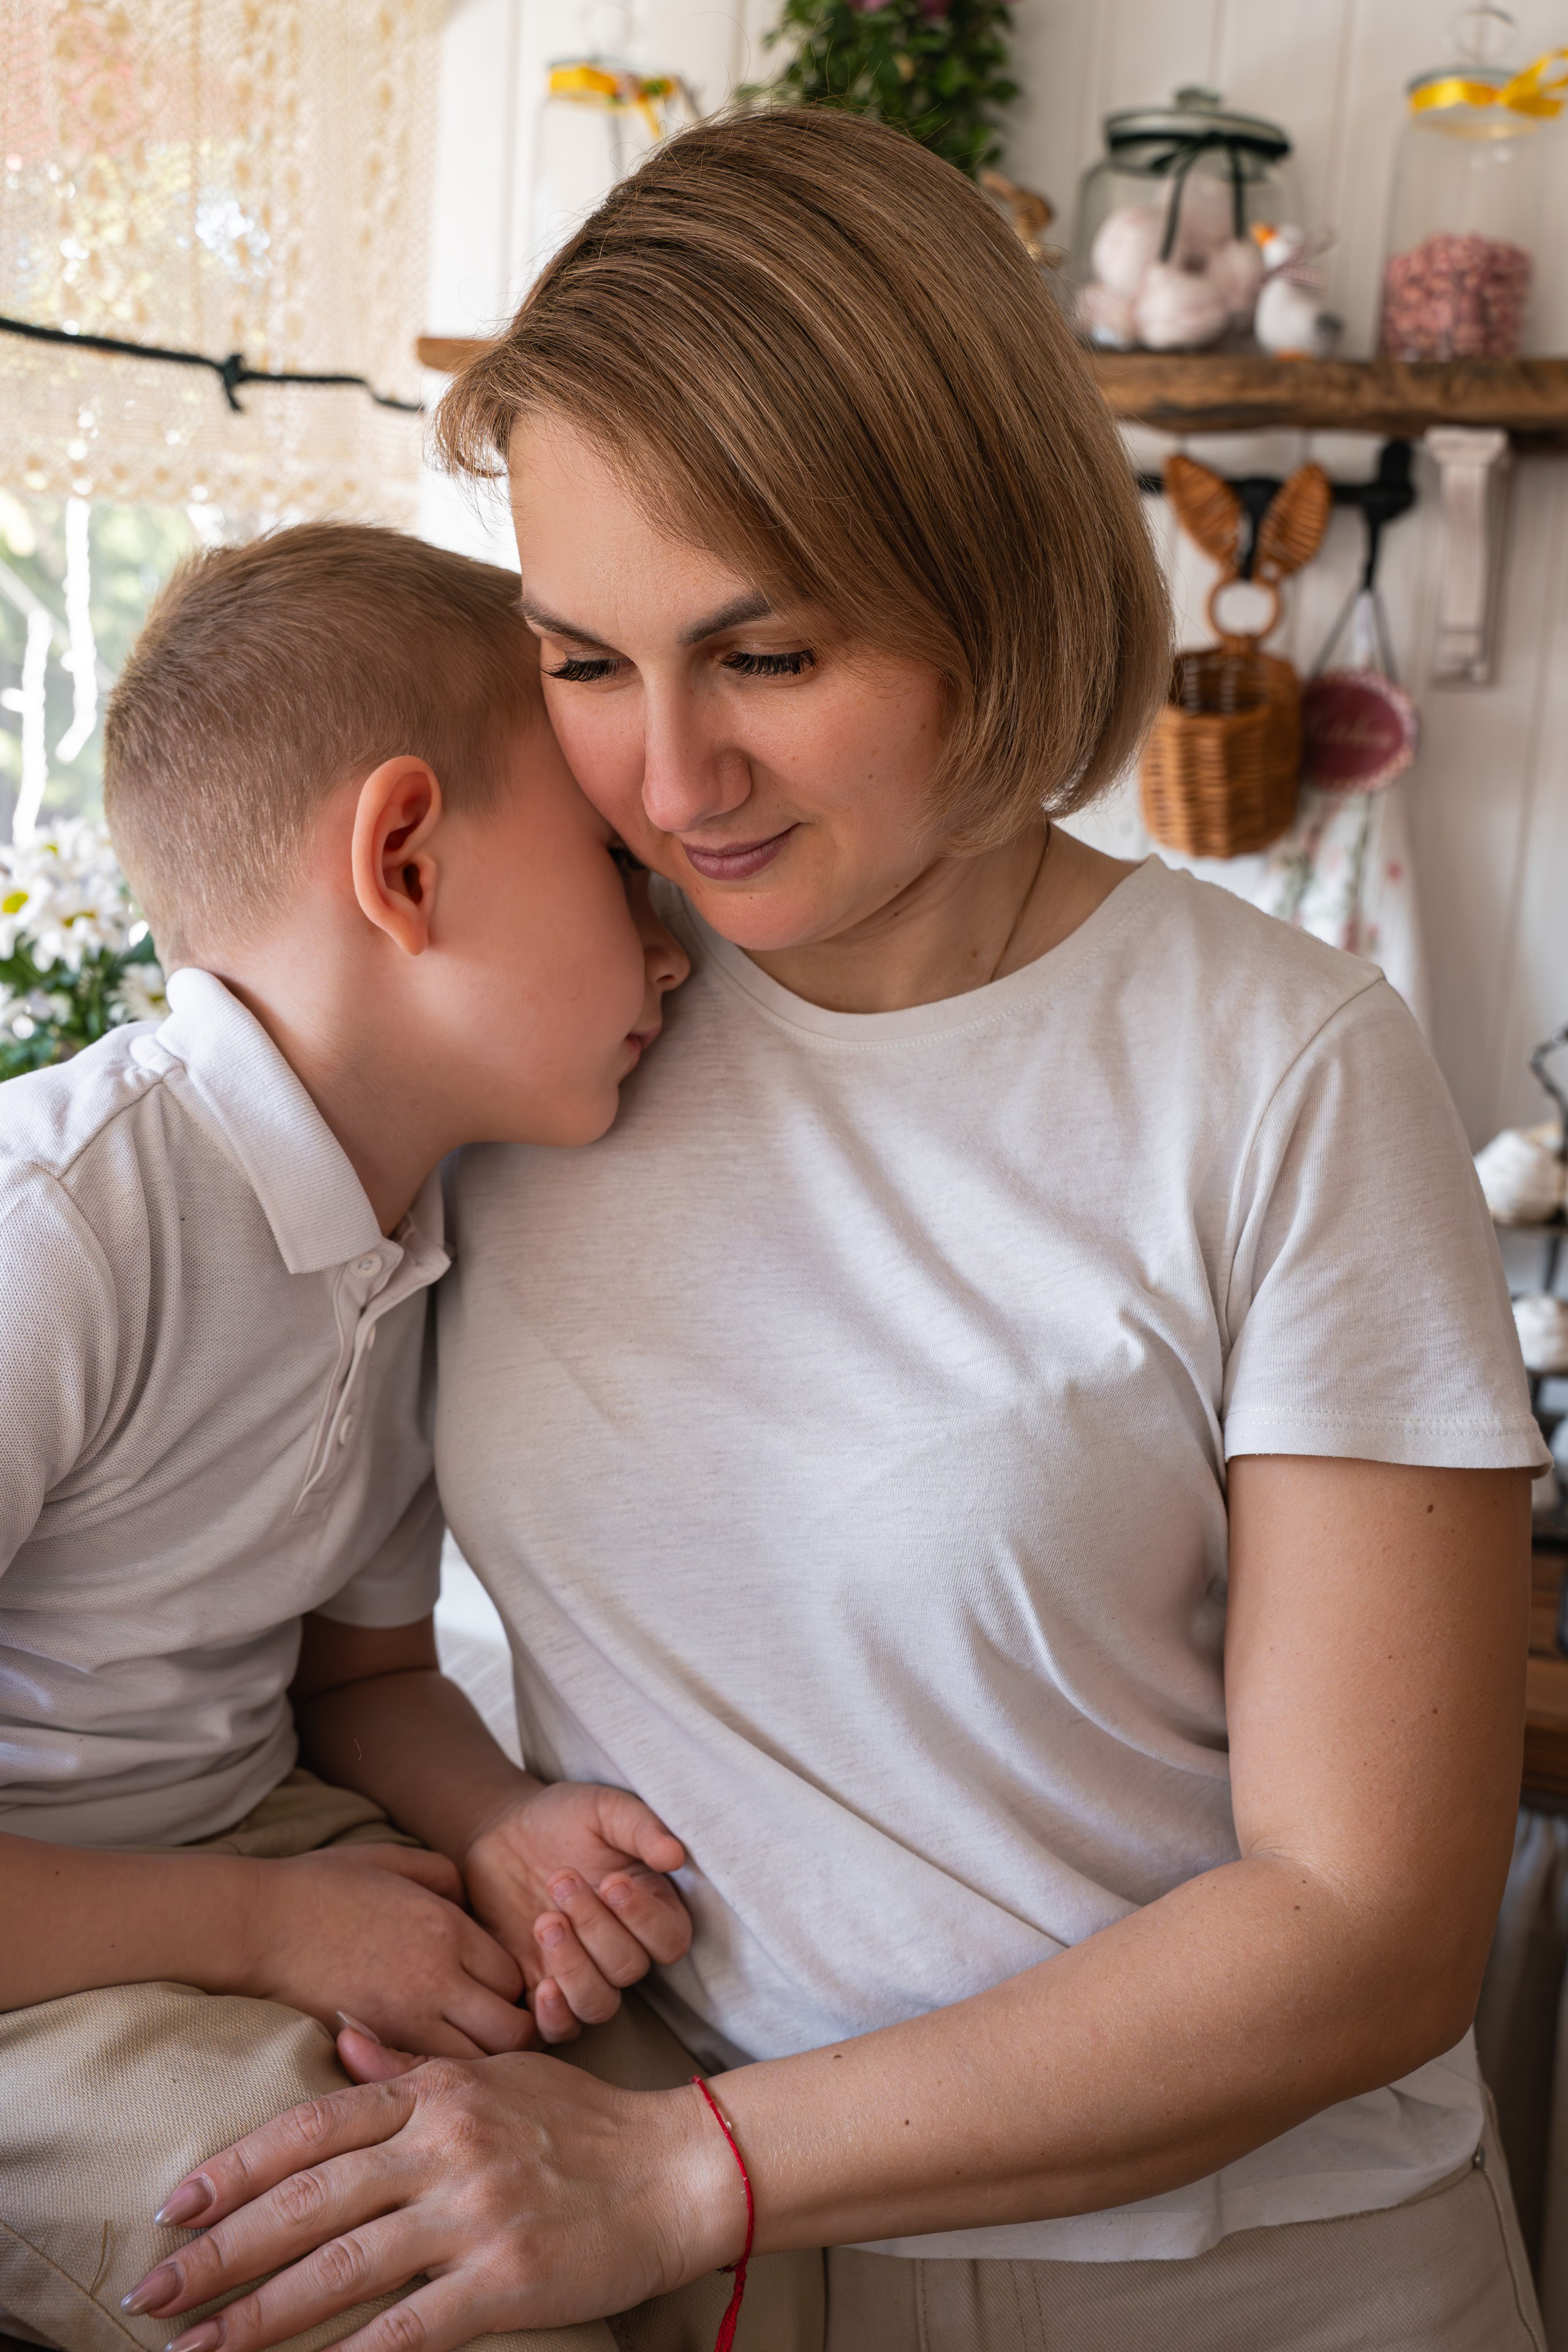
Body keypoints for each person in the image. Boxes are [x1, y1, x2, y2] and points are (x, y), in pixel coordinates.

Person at [132, 112, 1549, 2352]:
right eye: (583, 662)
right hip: (698, 2259)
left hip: (1250, 2279)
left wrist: (683, 2171)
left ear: (988, 589)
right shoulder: (538, 1035)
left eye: (767, 656)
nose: (672, 783)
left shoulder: (1277, 1069)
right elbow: (335, 1647)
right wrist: (502, 1841)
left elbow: (1371, 1920)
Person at [0, 524, 816, 2352]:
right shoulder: (63, 1225)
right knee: (467, 2309)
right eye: (622, 865)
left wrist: (503, 1825)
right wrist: (273, 1935)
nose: (676, 949)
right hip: (41, 1988)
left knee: (706, 2221)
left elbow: (361, 1678)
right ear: (406, 859)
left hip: (248, 1849)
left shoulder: (411, 1236)